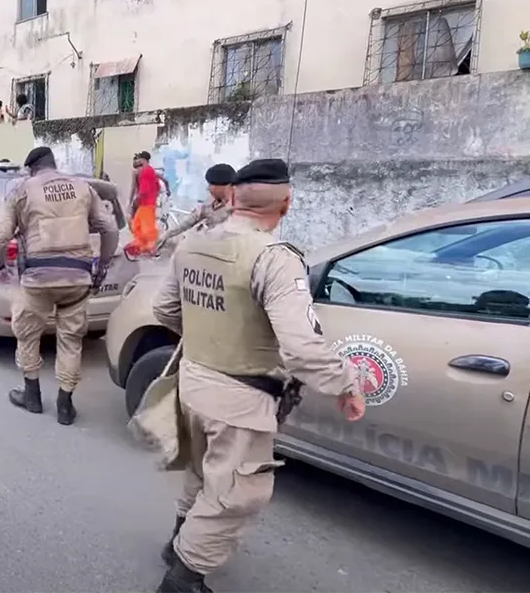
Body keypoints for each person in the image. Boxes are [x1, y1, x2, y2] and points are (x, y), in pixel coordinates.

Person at [151, 158, 365, 593]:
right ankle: (182, 577)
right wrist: (346, 382)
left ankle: (177, 542)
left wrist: (212, 339)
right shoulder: (275, 259)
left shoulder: (192, 244)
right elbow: (302, 349)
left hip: (192, 384)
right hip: (240, 402)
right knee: (236, 493)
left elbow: (164, 310)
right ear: (286, 204)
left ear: (231, 197)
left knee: (201, 471)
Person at [0, 146, 119, 426]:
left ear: (32, 168)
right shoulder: (83, 188)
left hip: (37, 280)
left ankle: (32, 395)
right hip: (77, 279)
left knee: (27, 335)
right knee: (70, 341)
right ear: (53, 164)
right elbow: (109, 229)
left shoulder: (22, 191)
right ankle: (64, 404)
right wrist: (102, 267)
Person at [155, 163, 236, 252]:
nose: (208, 188)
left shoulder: (238, 209)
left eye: (211, 185)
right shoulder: (211, 201)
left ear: (225, 186)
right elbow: (190, 221)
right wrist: (167, 234)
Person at [124, 151, 160, 258]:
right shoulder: (150, 170)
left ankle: (151, 249)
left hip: (146, 203)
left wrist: (133, 201)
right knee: (138, 225)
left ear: (142, 160)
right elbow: (158, 184)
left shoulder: (144, 171)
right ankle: (141, 246)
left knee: (146, 228)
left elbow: (140, 190)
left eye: (138, 162)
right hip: (146, 203)